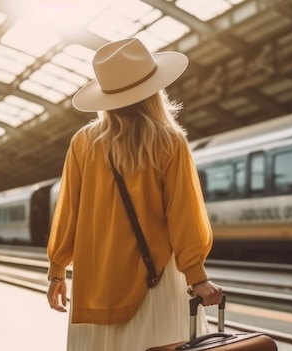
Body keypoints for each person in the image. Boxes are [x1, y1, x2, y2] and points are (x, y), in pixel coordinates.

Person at [46, 38, 223, 351]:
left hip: (95, 280)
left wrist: (57, 271)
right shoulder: (169, 140)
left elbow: (68, 211)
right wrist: (196, 276)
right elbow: (183, 214)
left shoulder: (83, 142)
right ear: (155, 90)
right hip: (155, 278)